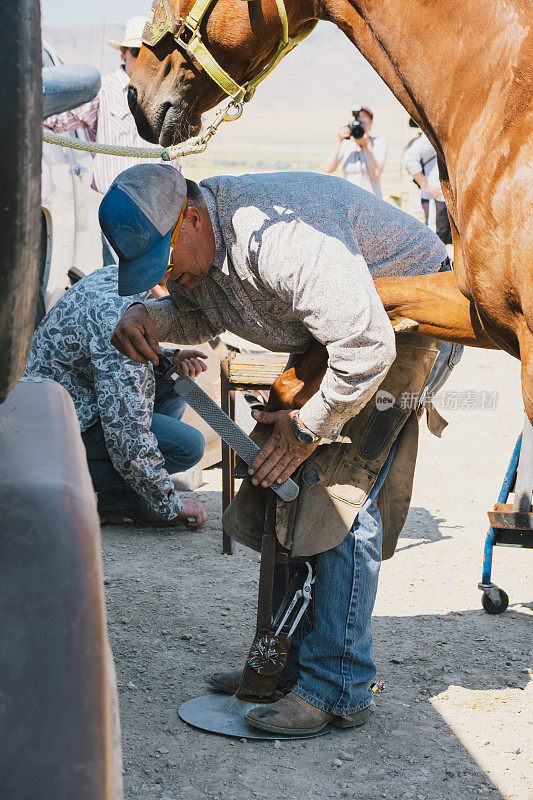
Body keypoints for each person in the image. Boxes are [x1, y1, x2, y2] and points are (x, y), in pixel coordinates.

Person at [103, 164, 455, 735]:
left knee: (338, 498)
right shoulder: (205, 245)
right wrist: (148, 316)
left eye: (163, 266)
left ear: (190, 219)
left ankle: (337, 687)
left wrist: (306, 428)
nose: (165, 281)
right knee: (283, 489)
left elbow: (367, 346)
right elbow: (202, 310)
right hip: (346, 330)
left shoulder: (284, 243)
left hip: (412, 325)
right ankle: (284, 664)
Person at [23, 263, 207, 530]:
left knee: (175, 380)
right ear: (167, 279)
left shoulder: (121, 277)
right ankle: (55, 485)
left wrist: (171, 357)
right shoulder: (118, 318)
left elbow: (102, 360)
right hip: (54, 431)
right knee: (188, 446)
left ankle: (123, 499)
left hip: (70, 402)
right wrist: (169, 506)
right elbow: (127, 437)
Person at [44, 17, 181, 266]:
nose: (144, 61)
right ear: (123, 53)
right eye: (138, 52)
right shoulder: (103, 91)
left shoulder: (171, 93)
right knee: (125, 286)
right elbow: (59, 120)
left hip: (166, 207)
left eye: (154, 54)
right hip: (122, 211)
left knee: (170, 284)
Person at [325, 103, 387, 197]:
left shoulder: (379, 142)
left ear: (371, 124)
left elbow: (375, 174)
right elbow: (329, 169)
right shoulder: (346, 144)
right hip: (349, 200)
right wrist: (339, 140)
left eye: (364, 123)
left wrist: (366, 146)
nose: (360, 127)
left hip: (372, 202)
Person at [404, 128, 452, 245]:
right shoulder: (433, 135)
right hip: (436, 199)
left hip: (445, 198)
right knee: (435, 241)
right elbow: (410, 158)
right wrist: (426, 185)